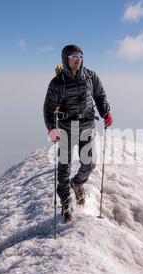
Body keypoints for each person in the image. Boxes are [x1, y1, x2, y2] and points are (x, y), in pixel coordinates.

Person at [43, 44, 113, 223]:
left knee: (89, 163)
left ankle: (78, 183)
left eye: (80, 57)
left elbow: (100, 96)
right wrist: (51, 128)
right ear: (65, 59)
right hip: (66, 127)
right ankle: (66, 204)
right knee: (64, 167)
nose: (77, 60)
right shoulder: (57, 83)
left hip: (87, 125)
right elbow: (48, 108)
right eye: (73, 57)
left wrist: (106, 112)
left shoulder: (91, 76)